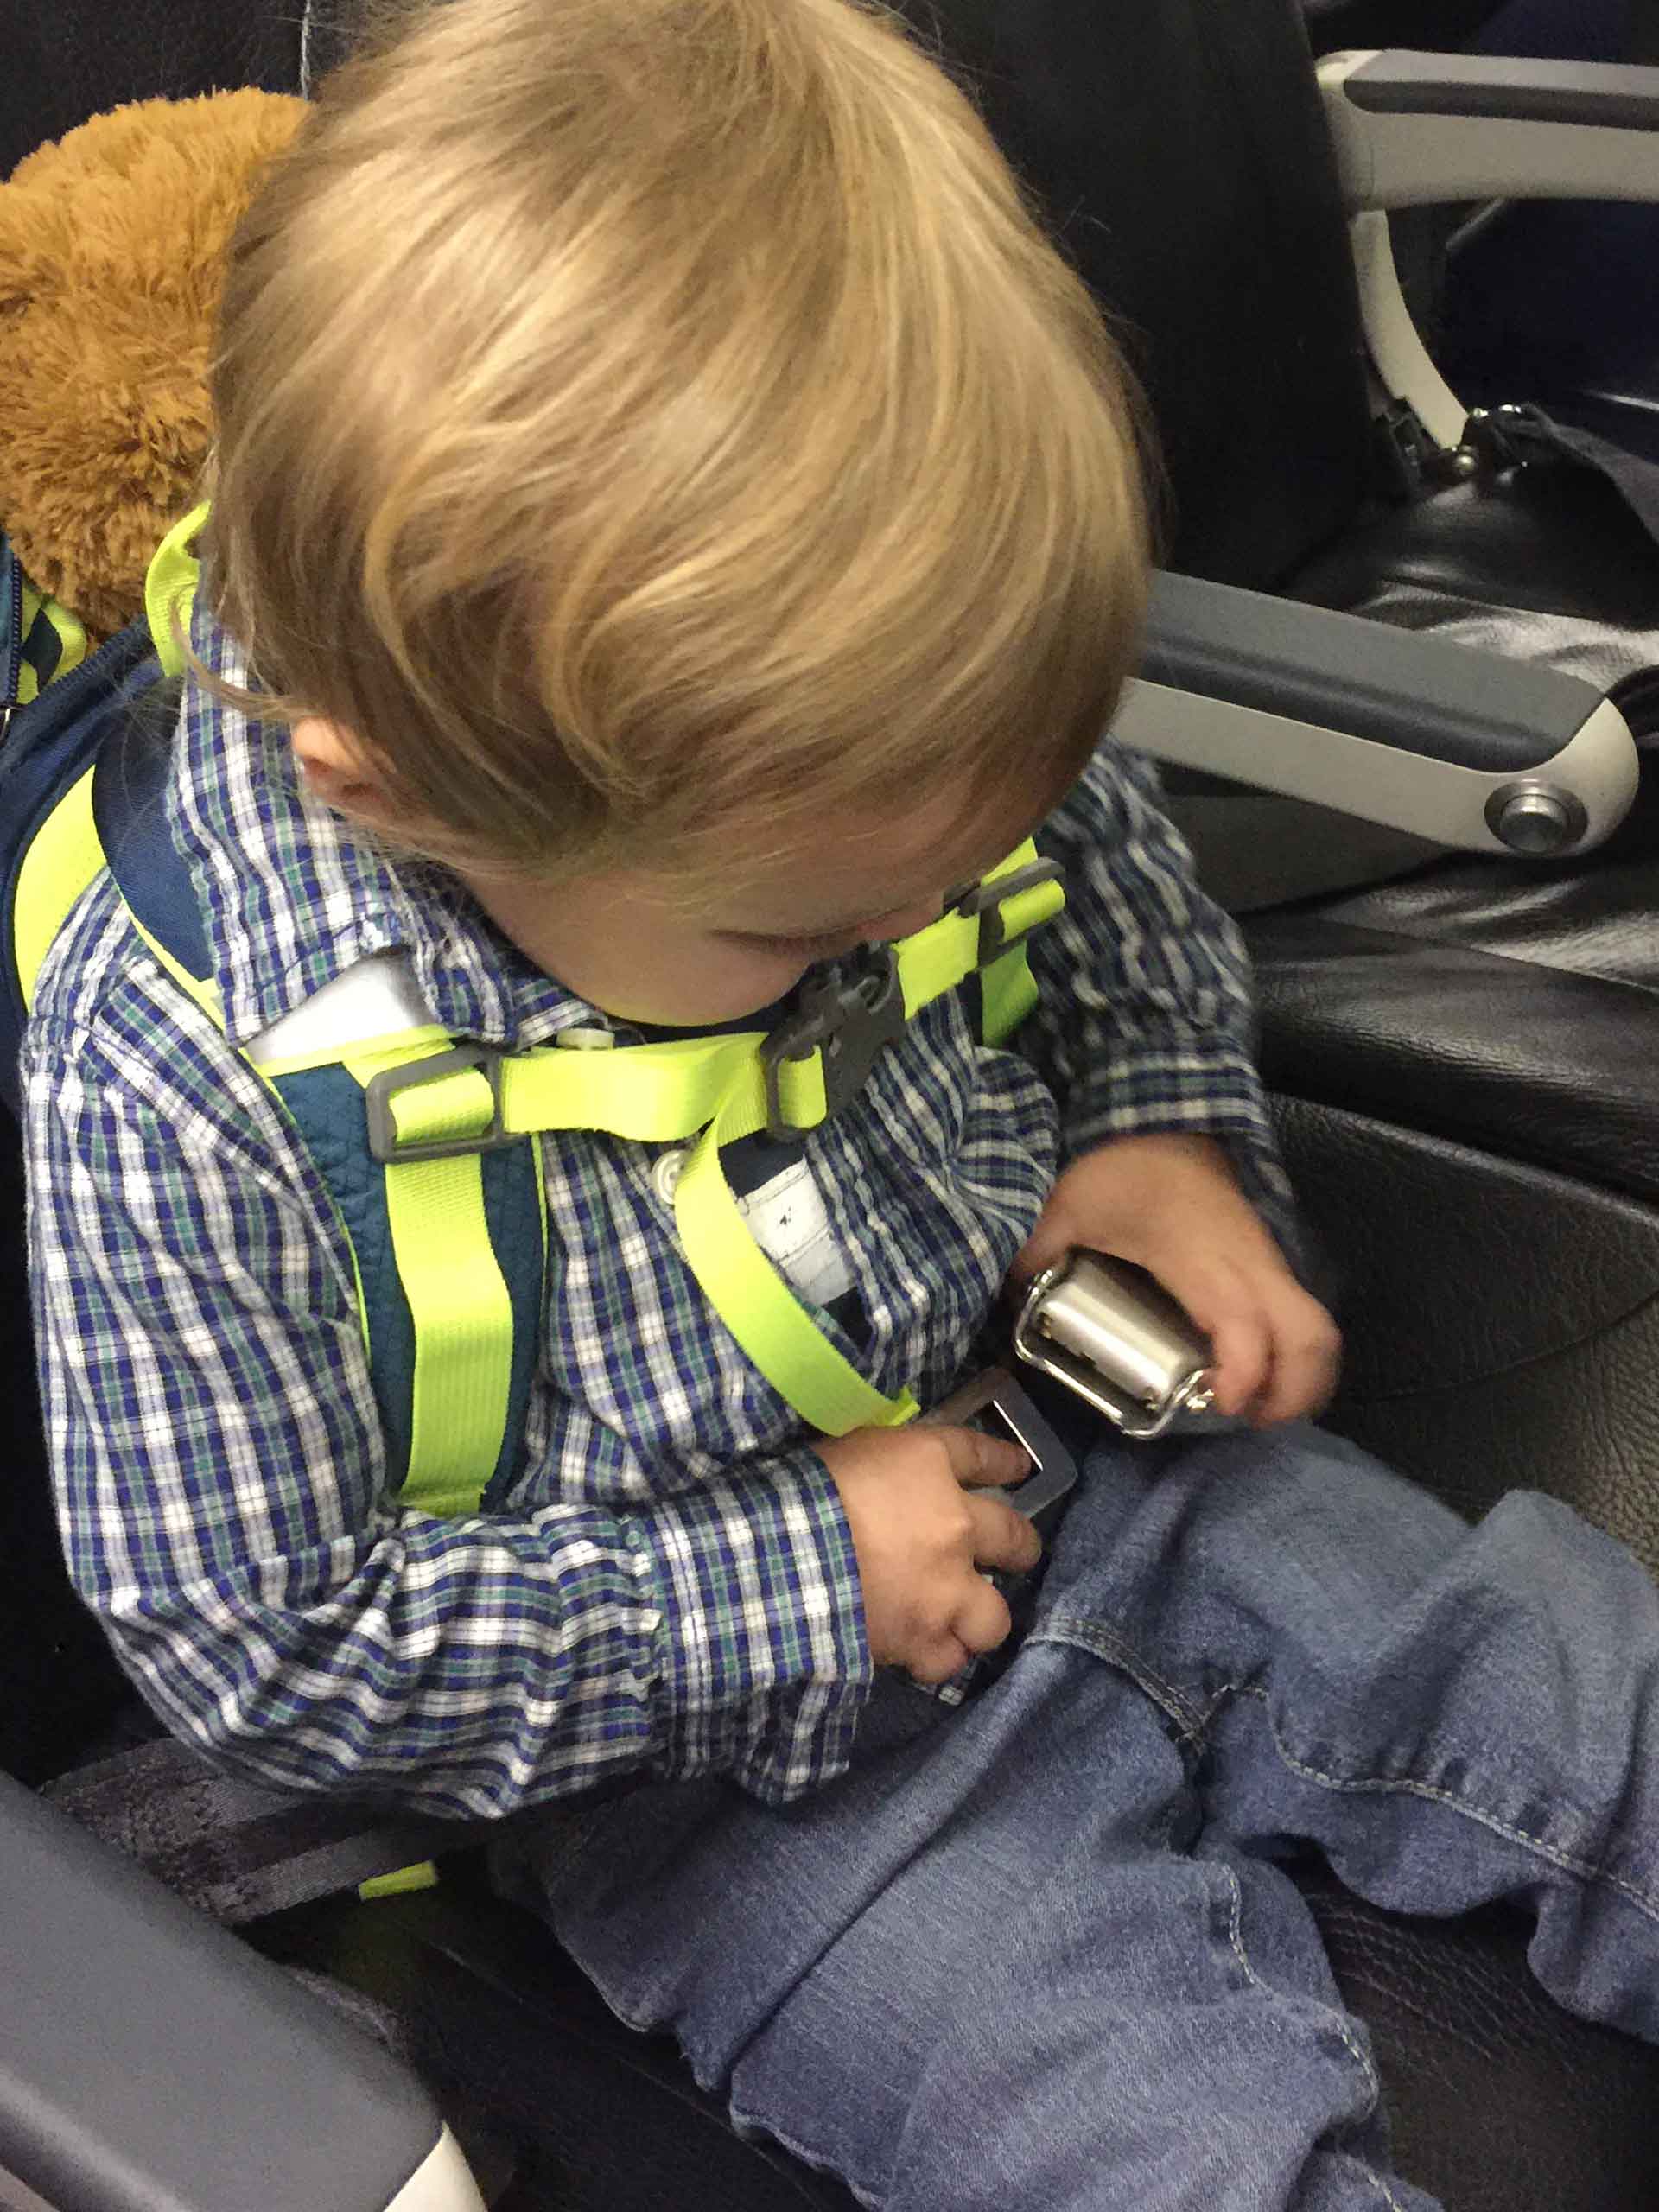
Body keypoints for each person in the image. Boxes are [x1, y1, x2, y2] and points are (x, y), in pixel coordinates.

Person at [22, 0, 1659, 2203]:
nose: (918, 911)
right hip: (726, 1772)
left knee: (1587, 1691)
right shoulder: (182, 1073)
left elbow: (1106, 881)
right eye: (811, 933)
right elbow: (273, 1645)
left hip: (1103, 1444)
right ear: (402, 793)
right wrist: (798, 1575)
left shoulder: (855, 726)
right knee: (1156, 2140)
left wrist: (1159, 1127)